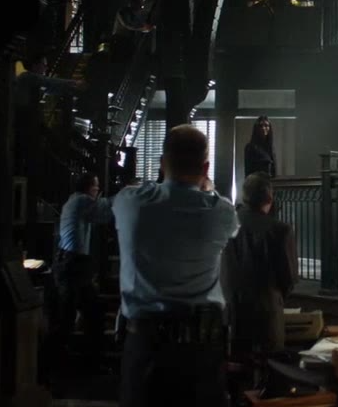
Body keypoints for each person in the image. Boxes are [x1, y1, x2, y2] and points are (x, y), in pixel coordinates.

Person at [113, 125, 239, 407]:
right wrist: (207, 188)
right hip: (201, 350)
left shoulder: (130, 203)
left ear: (162, 163)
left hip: (145, 344)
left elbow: (139, 191)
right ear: (205, 167)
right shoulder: (222, 212)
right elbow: (220, 207)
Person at [222, 173, 298, 361]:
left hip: (232, 314)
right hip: (266, 316)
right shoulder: (280, 230)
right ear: (270, 198)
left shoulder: (225, 225)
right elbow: (288, 279)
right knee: (269, 368)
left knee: (236, 368)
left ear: (244, 196)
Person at [54, 172, 113, 362]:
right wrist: (127, 196)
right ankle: (73, 358)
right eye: (96, 186)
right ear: (88, 188)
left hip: (70, 261)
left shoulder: (74, 200)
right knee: (80, 312)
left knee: (77, 311)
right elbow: (106, 211)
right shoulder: (82, 201)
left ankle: (76, 357)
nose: (98, 189)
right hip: (74, 262)